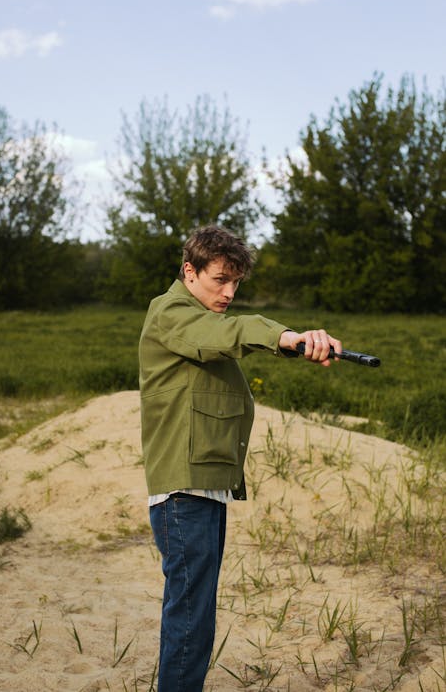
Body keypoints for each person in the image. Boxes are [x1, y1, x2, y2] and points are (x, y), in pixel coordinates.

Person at [139, 225, 342, 691]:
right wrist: (288, 336)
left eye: (236, 283)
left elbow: (226, 334)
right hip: (182, 491)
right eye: (219, 280)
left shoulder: (200, 317)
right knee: (190, 620)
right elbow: (226, 334)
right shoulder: (171, 311)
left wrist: (291, 345)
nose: (228, 292)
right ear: (189, 271)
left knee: (197, 617)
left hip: (204, 488)